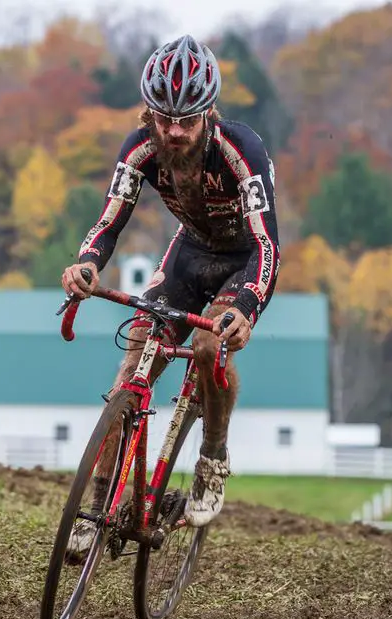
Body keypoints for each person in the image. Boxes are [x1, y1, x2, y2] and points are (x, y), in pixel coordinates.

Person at [59, 35, 280, 560]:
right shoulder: (139, 148)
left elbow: (268, 242)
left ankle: (212, 456)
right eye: (163, 118)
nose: (174, 131)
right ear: (149, 112)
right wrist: (87, 262)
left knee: (207, 350)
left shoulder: (239, 149)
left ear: (208, 112)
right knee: (132, 369)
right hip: (186, 258)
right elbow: (109, 222)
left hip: (242, 263)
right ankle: (96, 507)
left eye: (186, 120)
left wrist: (246, 308)